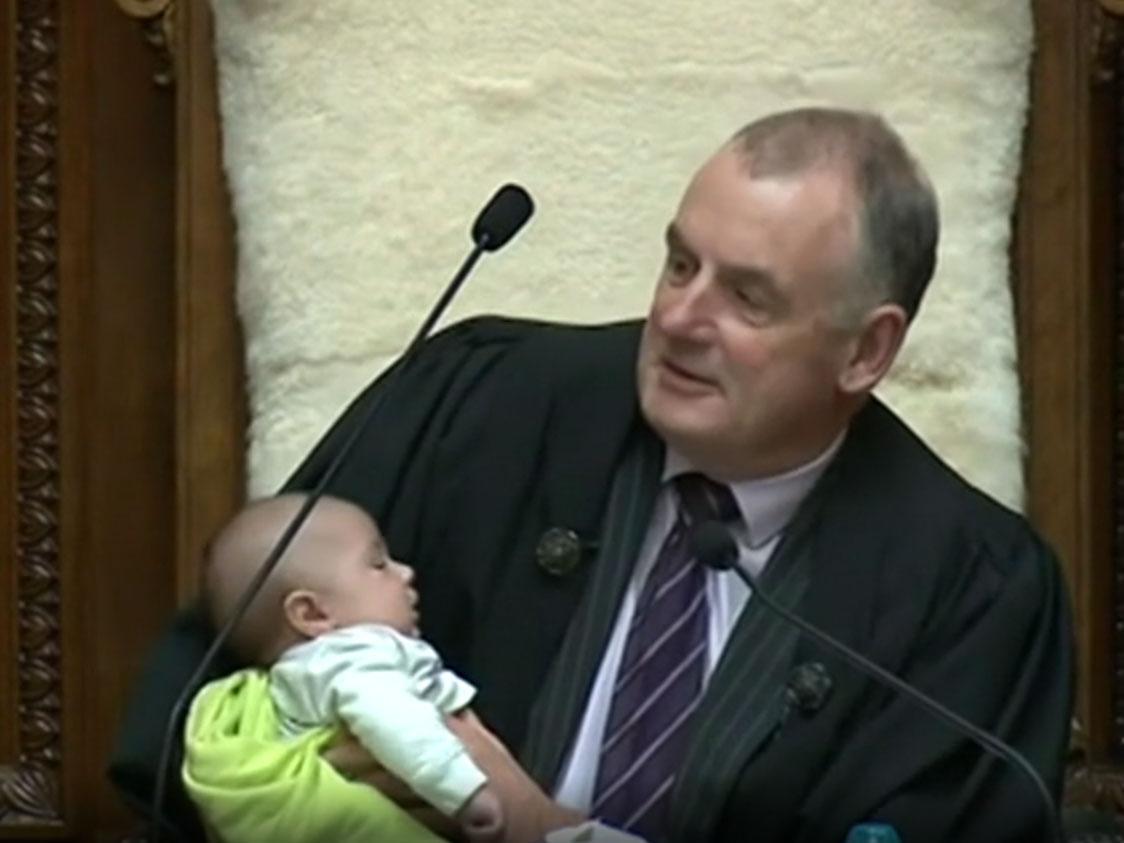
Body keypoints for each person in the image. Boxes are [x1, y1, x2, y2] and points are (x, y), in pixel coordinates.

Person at [111, 107, 1073, 843]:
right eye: (679, 263)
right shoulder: (477, 404)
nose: (680, 319)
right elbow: (195, 698)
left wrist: (539, 829)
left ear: (867, 351)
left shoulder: (974, 592)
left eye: (746, 296)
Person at [183, 493, 504, 843]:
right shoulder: (354, 658)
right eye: (379, 564)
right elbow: (394, 720)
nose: (406, 572)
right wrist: (467, 794)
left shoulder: (292, 683)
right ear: (312, 614)